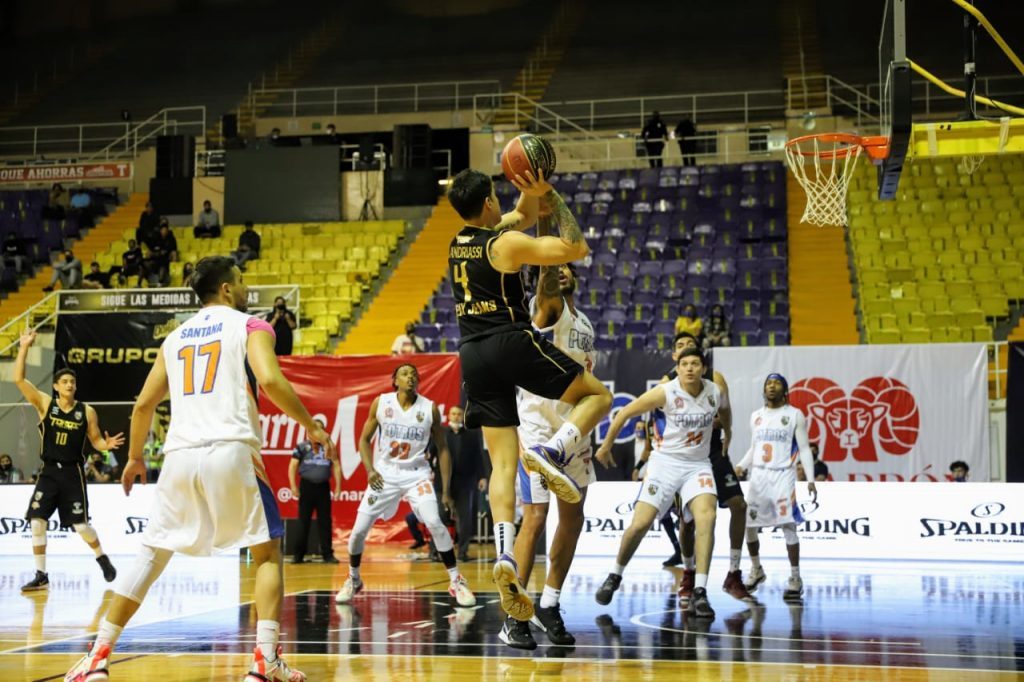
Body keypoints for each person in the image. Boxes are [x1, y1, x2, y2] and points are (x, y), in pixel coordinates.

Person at [64, 256, 334, 682]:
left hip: (179, 457)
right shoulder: (251, 326)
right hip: (231, 449)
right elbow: (269, 380)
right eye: (241, 281)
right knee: (267, 553)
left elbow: (143, 405)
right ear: (226, 288)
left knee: (150, 556)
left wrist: (135, 457)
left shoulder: (174, 338)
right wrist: (310, 425)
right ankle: (265, 660)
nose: (245, 288)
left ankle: (97, 657)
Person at [445, 168, 612, 624]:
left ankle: (503, 552)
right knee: (597, 396)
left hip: (471, 353)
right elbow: (575, 248)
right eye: (496, 195)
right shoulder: (505, 245)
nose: (502, 202)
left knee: (502, 464)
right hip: (509, 341)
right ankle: (551, 451)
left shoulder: (460, 242)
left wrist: (528, 188)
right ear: (487, 203)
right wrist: (552, 195)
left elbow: (522, 213)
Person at [506, 251, 596, 649]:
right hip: (539, 430)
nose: (561, 271)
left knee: (573, 518)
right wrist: (545, 233)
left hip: (574, 429)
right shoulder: (545, 306)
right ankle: (515, 615)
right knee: (536, 517)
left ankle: (550, 603)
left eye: (566, 267)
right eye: (553, 268)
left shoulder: (584, 321)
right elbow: (545, 274)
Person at [334, 364, 476, 608]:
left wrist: (445, 491)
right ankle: (354, 578)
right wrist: (370, 470)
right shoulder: (382, 403)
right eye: (405, 373)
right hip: (385, 475)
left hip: (416, 475)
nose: (411, 377)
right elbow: (364, 440)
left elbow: (443, 449)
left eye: (414, 374)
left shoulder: (429, 408)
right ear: (395, 380)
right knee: (358, 531)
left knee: (435, 522)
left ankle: (456, 580)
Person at [593, 348, 720, 619]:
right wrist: (605, 446)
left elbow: (726, 415)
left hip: (698, 466)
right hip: (665, 464)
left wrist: (728, 434)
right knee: (640, 523)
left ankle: (700, 591)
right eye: (684, 364)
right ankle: (615, 575)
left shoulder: (714, 391)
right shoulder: (666, 392)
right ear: (678, 368)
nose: (689, 368)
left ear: (703, 369)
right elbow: (624, 413)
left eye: (695, 363)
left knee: (707, 518)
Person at [15, 333, 123, 593]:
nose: (69, 385)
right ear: (55, 386)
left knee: (81, 526)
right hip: (49, 472)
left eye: (72, 382)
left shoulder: (86, 411)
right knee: (37, 521)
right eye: (64, 381)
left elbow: (96, 440)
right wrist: (24, 347)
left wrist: (105, 445)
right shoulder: (45, 404)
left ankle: (101, 557)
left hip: (73, 473)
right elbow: (18, 379)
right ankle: (41, 575)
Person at [663, 332, 753, 606]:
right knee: (687, 521)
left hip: (713, 450)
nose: (685, 349)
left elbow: (724, 413)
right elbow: (655, 419)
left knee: (739, 506)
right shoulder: (667, 383)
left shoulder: (715, 378)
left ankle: (733, 574)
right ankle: (689, 574)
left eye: (690, 345)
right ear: (675, 357)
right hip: (685, 457)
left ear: (700, 358)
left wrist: (724, 428)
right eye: (680, 346)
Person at [735, 374, 818, 601]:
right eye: (768, 383)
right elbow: (755, 447)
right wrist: (741, 465)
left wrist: (810, 479)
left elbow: (804, 448)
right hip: (759, 476)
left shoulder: (794, 415)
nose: (772, 386)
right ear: (764, 390)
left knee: (788, 526)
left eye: (777, 383)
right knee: (749, 526)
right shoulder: (756, 416)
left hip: (783, 475)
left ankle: (795, 577)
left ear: (785, 390)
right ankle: (756, 569)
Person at [289, 418, 341, 564]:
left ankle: (327, 555)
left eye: (319, 429)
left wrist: (338, 486)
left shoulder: (329, 446)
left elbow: (336, 465)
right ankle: (298, 555)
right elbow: (293, 466)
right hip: (307, 487)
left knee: (325, 521)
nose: (316, 432)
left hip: (323, 487)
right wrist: (293, 486)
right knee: (303, 521)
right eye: (314, 429)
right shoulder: (302, 447)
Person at [445, 404, 486, 562]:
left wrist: (482, 477)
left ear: (462, 416)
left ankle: (462, 552)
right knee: (440, 517)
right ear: (448, 416)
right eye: (453, 413)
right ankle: (436, 552)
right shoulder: (442, 433)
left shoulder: (471, 434)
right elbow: (432, 452)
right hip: (444, 483)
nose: (456, 416)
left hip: (465, 483)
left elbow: (478, 456)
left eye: (458, 414)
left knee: (465, 519)